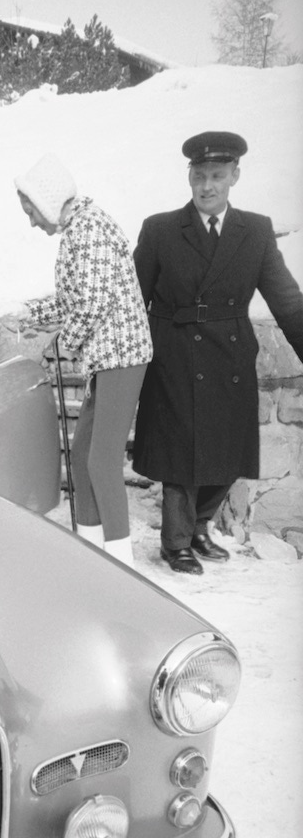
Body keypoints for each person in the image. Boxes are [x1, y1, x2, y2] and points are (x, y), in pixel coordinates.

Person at [132, 130, 303, 575]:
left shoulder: (256, 231)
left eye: (217, 176)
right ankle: (175, 542)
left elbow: (287, 299)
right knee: (181, 453)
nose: (207, 186)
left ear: (234, 177)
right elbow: (134, 299)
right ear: (189, 177)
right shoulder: (161, 229)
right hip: (174, 352)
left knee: (229, 452)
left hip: (229, 354)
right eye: (199, 176)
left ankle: (198, 528)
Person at [15, 152, 153, 567]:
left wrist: (62, 343)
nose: (32, 222)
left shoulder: (89, 229)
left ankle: (120, 560)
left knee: (102, 459)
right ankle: (93, 550)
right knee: (81, 456)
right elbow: (73, 299)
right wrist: (30, 314)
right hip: (107, 358)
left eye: (32, 212)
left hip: (122, 356)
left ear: (50, 201)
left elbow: (92, 305)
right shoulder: (77, 228)